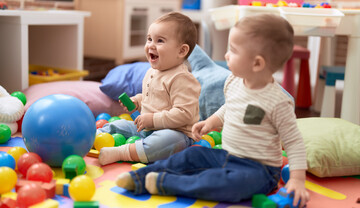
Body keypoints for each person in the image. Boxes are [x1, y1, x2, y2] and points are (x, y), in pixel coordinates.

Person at [114, 14, 310, 207]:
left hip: (260, 171)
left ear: (257, 63)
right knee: (192, 156)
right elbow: (229, 107)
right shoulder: (234, 82)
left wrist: (297, 180)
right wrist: (212, 122)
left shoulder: (278, 102)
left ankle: (162, 183)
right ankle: (140, 176)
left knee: (220, 183)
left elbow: (294, 142)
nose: (226, 56)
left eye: (233, 51)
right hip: (228, 156)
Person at [96, 11, 201, 165]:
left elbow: (183, 114)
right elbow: (152, 97)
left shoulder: (182, 79)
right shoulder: (152, 71)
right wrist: (138, 101)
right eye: (149, 39)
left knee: (168, 141)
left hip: (176, 133)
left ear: (181, 51)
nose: (151, 45)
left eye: (160, 41)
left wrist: (152, 119)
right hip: (146, 129)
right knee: (117, 125)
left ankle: (121, 152)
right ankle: (90, 138)